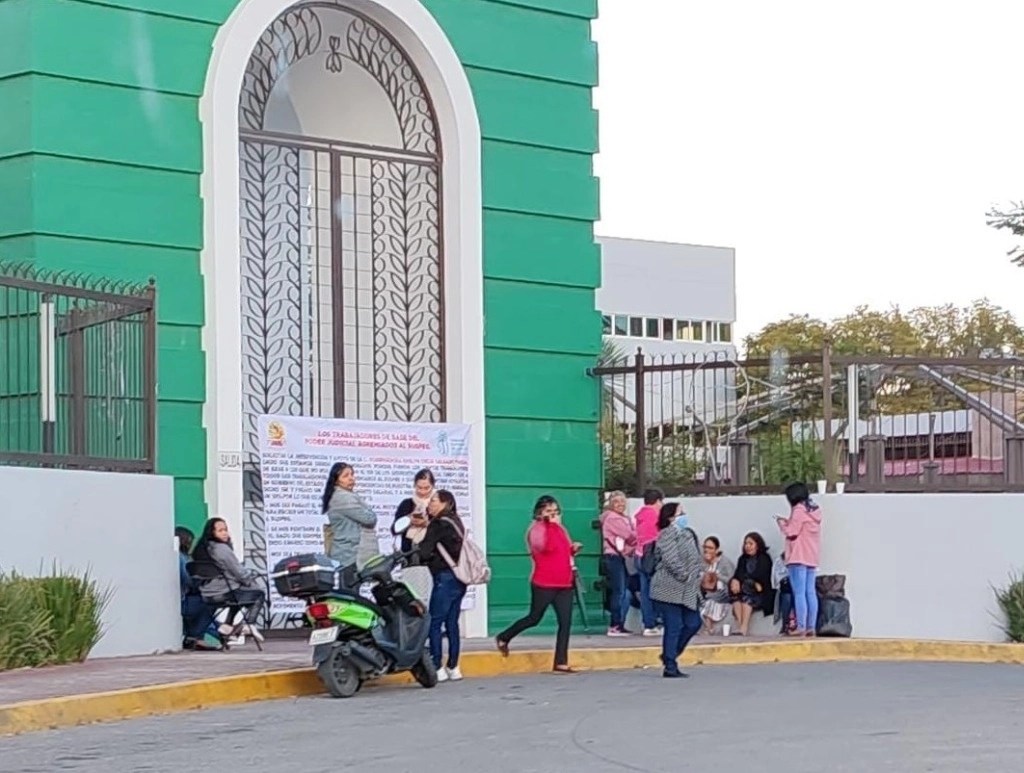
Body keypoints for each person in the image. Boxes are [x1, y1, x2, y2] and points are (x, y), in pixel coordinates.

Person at [495, 495, 582, 674]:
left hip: (564, 582)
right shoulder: (536, 529)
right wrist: (549, 525)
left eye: (556, 511)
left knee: (565, 622)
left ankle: (561, 661)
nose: (554, 515)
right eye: (549, 511)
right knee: (534, 618)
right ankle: (504, 636)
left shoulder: (560, 529)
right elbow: (544, 547)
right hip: (544, 582)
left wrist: (573, 548)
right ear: (539, 513)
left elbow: (563, 551)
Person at [416, 489, 467, 682]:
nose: (430, 504)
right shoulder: (456, 522)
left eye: (434, 501)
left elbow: (425, 551)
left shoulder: (438, 524)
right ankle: (454, 667)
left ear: (446, 503)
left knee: (435, 622)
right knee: (452, 623)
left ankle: (437, 666)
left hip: (444, 578)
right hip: (459, 578)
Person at [649, 502, 703, 678]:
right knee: (674, 626)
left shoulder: (687, 534)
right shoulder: (666, 535)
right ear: (671, 517)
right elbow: (670, 559)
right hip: (668, 588)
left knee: (693, 623)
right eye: (681, 513)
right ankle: (670, 665)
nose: (684, 516)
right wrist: (684, 574)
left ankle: (669, 654)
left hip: (687, 590)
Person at [191, 518, 265, 642]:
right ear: (212, 533)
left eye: (225, 530)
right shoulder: (221, 549)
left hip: (208, 593)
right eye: (220, 531)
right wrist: (251, 582)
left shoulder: (203, 549)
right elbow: (238, 571)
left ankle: (227, 625)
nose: (225, 533)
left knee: (240, 595)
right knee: (258, 594)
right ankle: (249, 625)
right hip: (224, 592)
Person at [776, 482, 823, 637]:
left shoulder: (798, 511)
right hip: (811, 556)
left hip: (797, 556)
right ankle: (811, 626)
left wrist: (782, 523)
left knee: (799, 593)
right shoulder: (814, 510)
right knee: (810, 592)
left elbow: (792, 533)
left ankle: (801, 626)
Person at [321, 462, 377, 570]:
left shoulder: (348, 495)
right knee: (348, 585)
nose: (351, 478)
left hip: (348, 554)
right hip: (348, 555)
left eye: (352, 474)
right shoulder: (343, 498)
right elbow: (370, 519)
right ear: (336, 480)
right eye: (346, 476)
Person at [392, 468, 436, 606]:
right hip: (410, 557)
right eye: (419, 487)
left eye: (426, 488)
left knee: (431, 598)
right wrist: (409, 519)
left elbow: (444, 529)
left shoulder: (437, 504)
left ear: (433, 486)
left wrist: (427, 523)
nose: (422, 491)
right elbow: (394, 529)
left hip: (432, 559)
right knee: (413, 598)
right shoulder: (407, 504)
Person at [175, 526, 219, 650]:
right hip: (182, 602)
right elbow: (188, 581)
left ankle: (220, 631)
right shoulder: (181, 558)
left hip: (183, 599)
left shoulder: (181, 557)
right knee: (211, 600)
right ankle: (196, 636)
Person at [599, 490, 636, 636]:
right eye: (616, 502)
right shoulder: (614, 519)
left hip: (615, 557)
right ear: (611, 504)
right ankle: (615, 624)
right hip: (614, 557)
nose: (620, 504)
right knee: (620, 591)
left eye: (622, 502)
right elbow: (630, 536)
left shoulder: (617, 518)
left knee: (622, 591)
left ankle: (619, 623)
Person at [729, 532, 774, 637]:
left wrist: (745, 581)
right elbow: (738, 574)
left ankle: (744, 627)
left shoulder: (764, 558)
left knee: (746, 599)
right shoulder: (743, 559)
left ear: (757, 545)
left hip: (760, 593)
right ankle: (740, 627)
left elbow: (761, 579)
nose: (747, 546)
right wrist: (735, 580)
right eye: (746, 544)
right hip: (745, 590)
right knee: (736, 599)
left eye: (750, 543)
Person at [634, 488, 664, 637]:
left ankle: (648, 624)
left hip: (639, 555)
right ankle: (655, 622)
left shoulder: (640, 516)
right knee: (657, 591)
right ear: (658, 501)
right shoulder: (655, 515)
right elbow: (658, 538)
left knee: (645, 592)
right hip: (651, 556)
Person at [699, 536, 735, 635]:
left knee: (710, 600)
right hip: (706, 591)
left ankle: (708, 627)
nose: (707, 550)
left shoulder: (724, 562)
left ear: (717, 549)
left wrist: (717, 576)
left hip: (722, 592)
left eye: (710, 548)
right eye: (705, 547)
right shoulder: (702, 562)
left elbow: (731, 579)